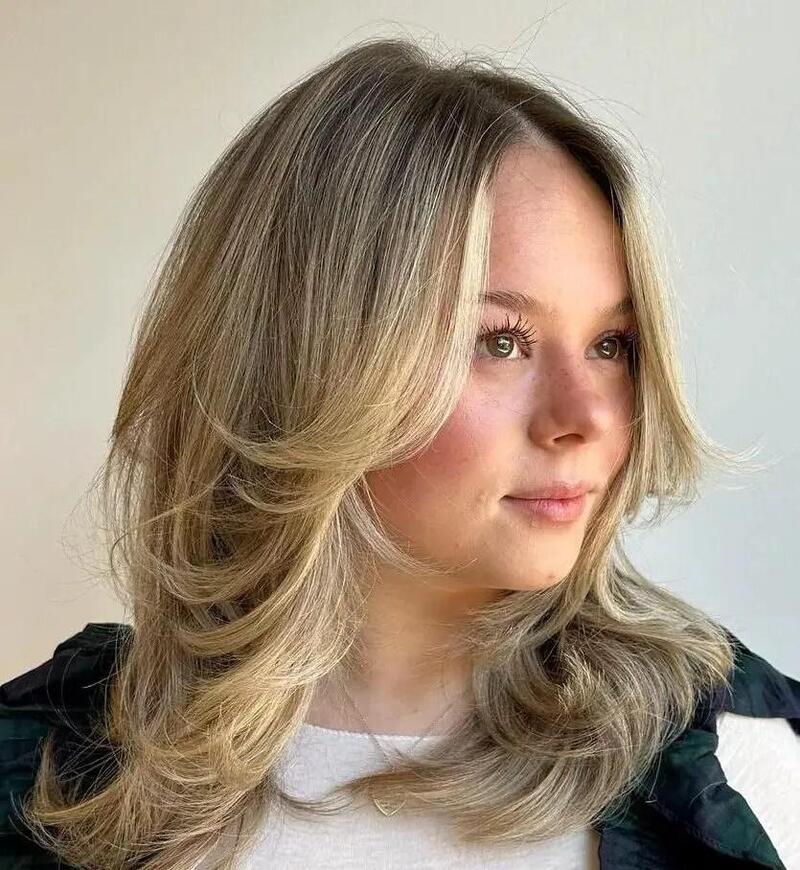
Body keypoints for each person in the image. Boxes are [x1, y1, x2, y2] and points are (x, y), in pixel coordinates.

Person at [1, 35, 798, 870]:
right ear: (305, 359)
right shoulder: (48, 780)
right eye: (498, 340)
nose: (588, 417)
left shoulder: (728, 777)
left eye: (611, 345)